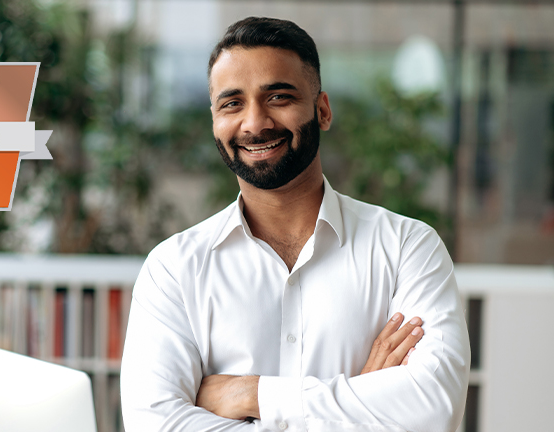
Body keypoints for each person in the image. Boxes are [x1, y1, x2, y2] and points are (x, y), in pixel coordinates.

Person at [121, 17, 470, 432]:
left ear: (322, 110)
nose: (254, 123)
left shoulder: (407, 247)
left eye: (279, 97)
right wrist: (361, 399)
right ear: (214, 120)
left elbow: (433, 408)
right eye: (232, 103)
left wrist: (251, 394)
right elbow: (155, 424)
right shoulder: (173, 269)